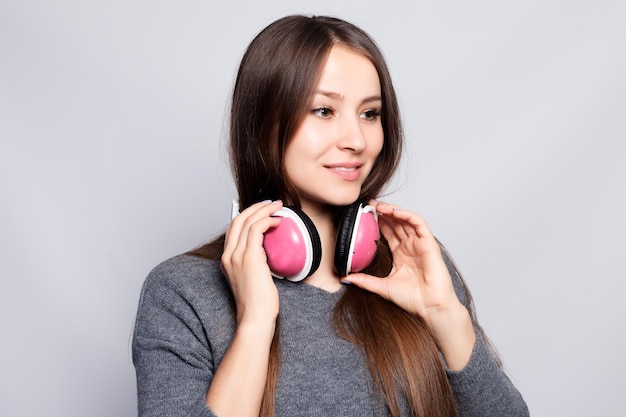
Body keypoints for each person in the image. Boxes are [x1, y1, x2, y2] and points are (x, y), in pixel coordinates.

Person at [132, 15, 529, 417]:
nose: (356, 140)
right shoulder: (182, 293)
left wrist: (445, 316)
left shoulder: (411, 263)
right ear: (264, 124)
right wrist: (254, 324)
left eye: (370, 114)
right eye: (324, 111)